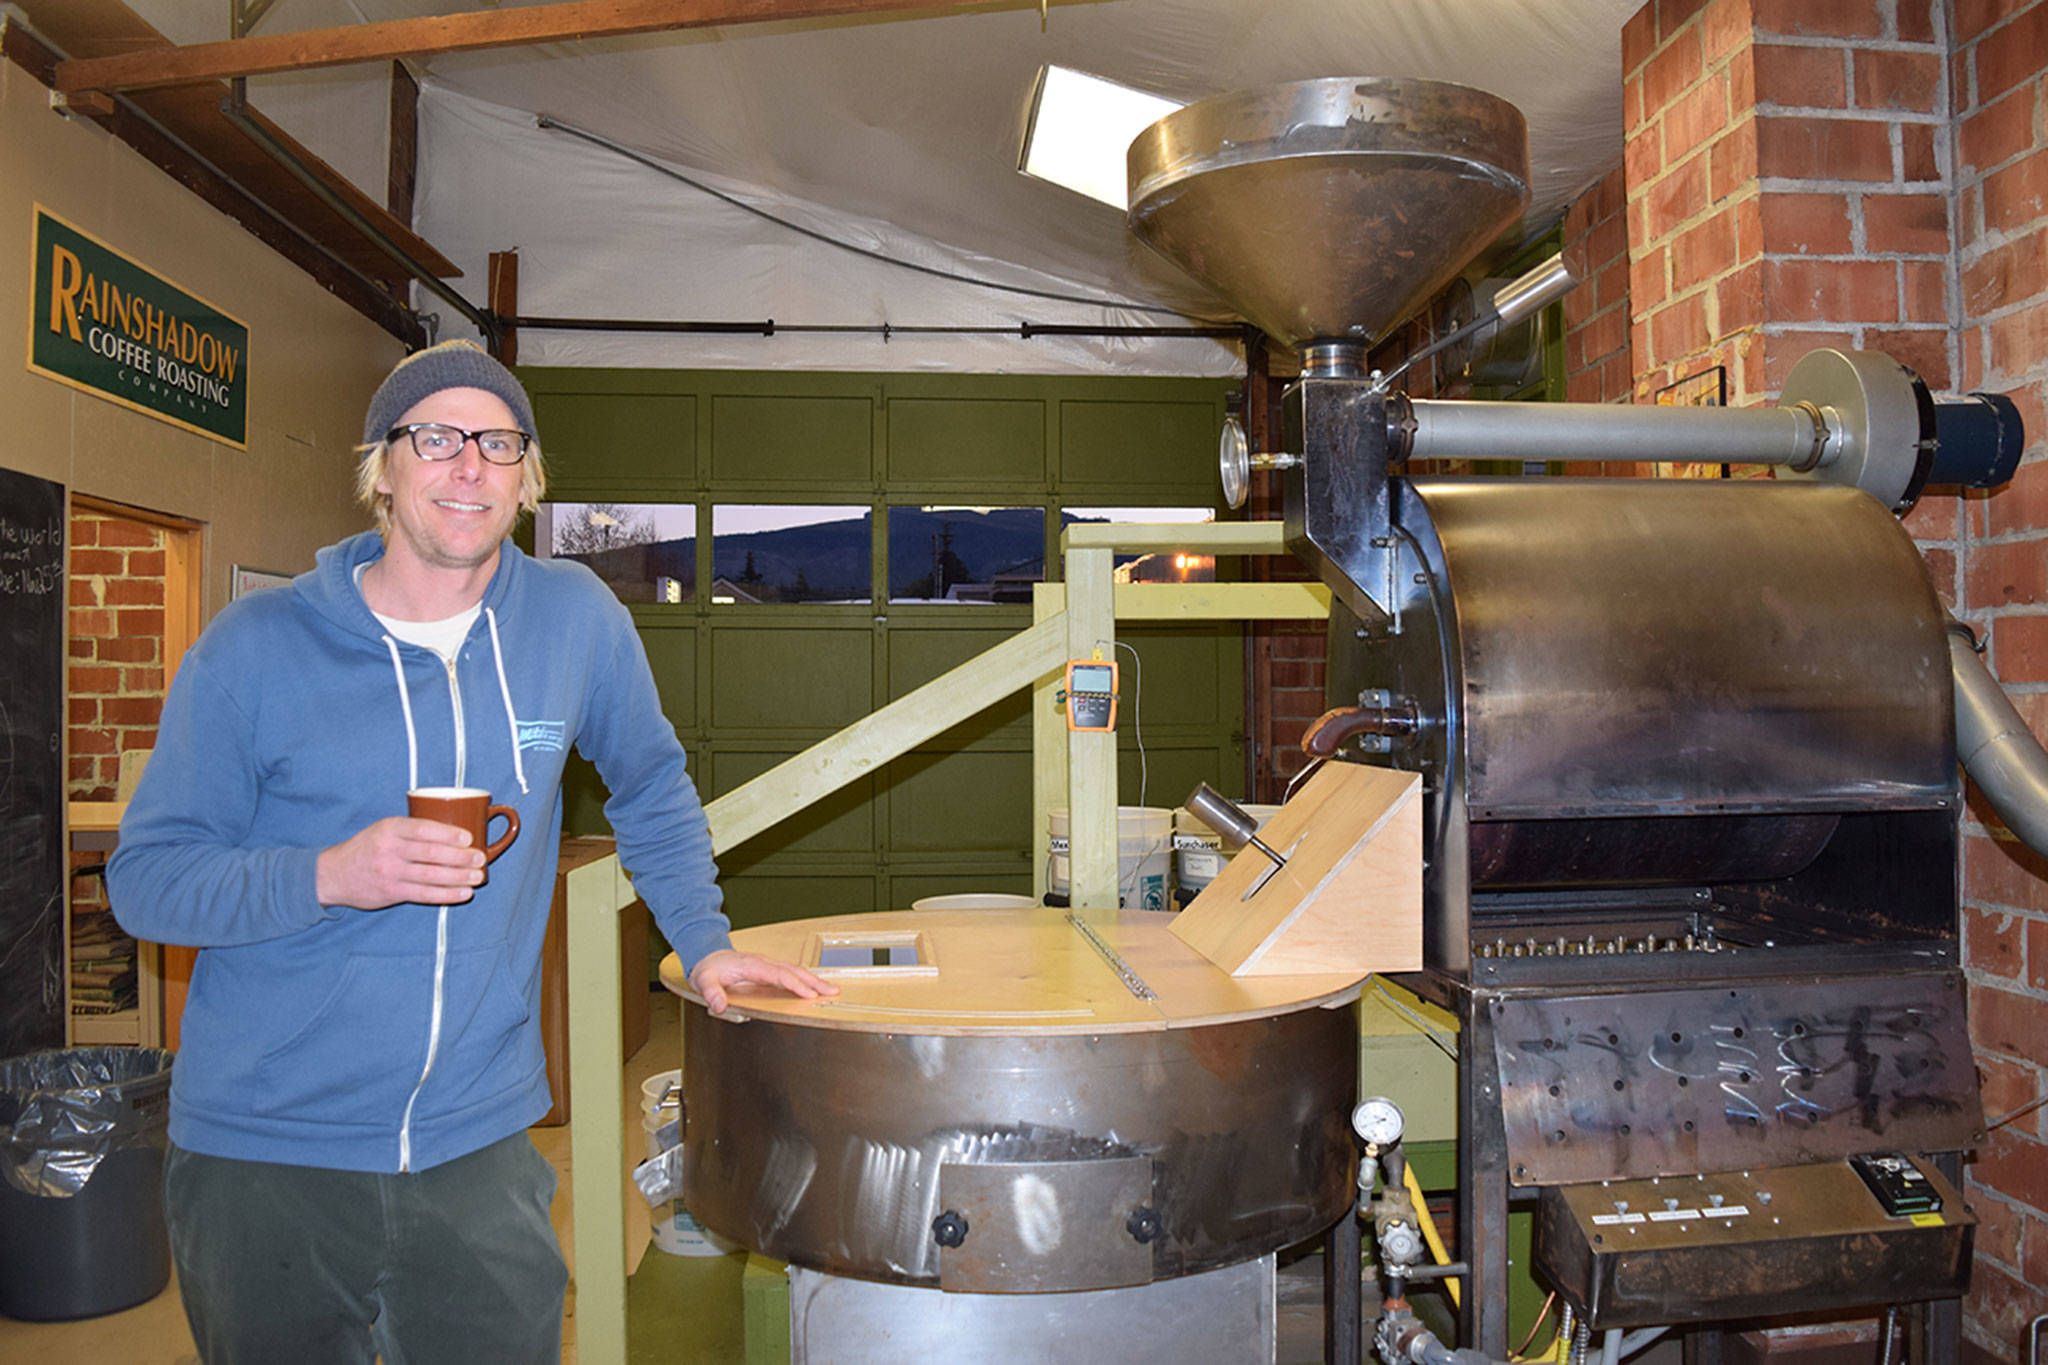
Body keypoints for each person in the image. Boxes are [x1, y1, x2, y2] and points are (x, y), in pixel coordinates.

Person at [108, 339, 833, 1364]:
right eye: (435, 438)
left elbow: (652, 785)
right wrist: (329, 875)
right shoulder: (255, 646)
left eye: (499, 443)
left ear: (527, 478)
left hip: (479, 1138)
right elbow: (147, 882)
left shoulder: (573, 619)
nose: (468, 466)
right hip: (268, 1150)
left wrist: (703, 946)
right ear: (382, 468)